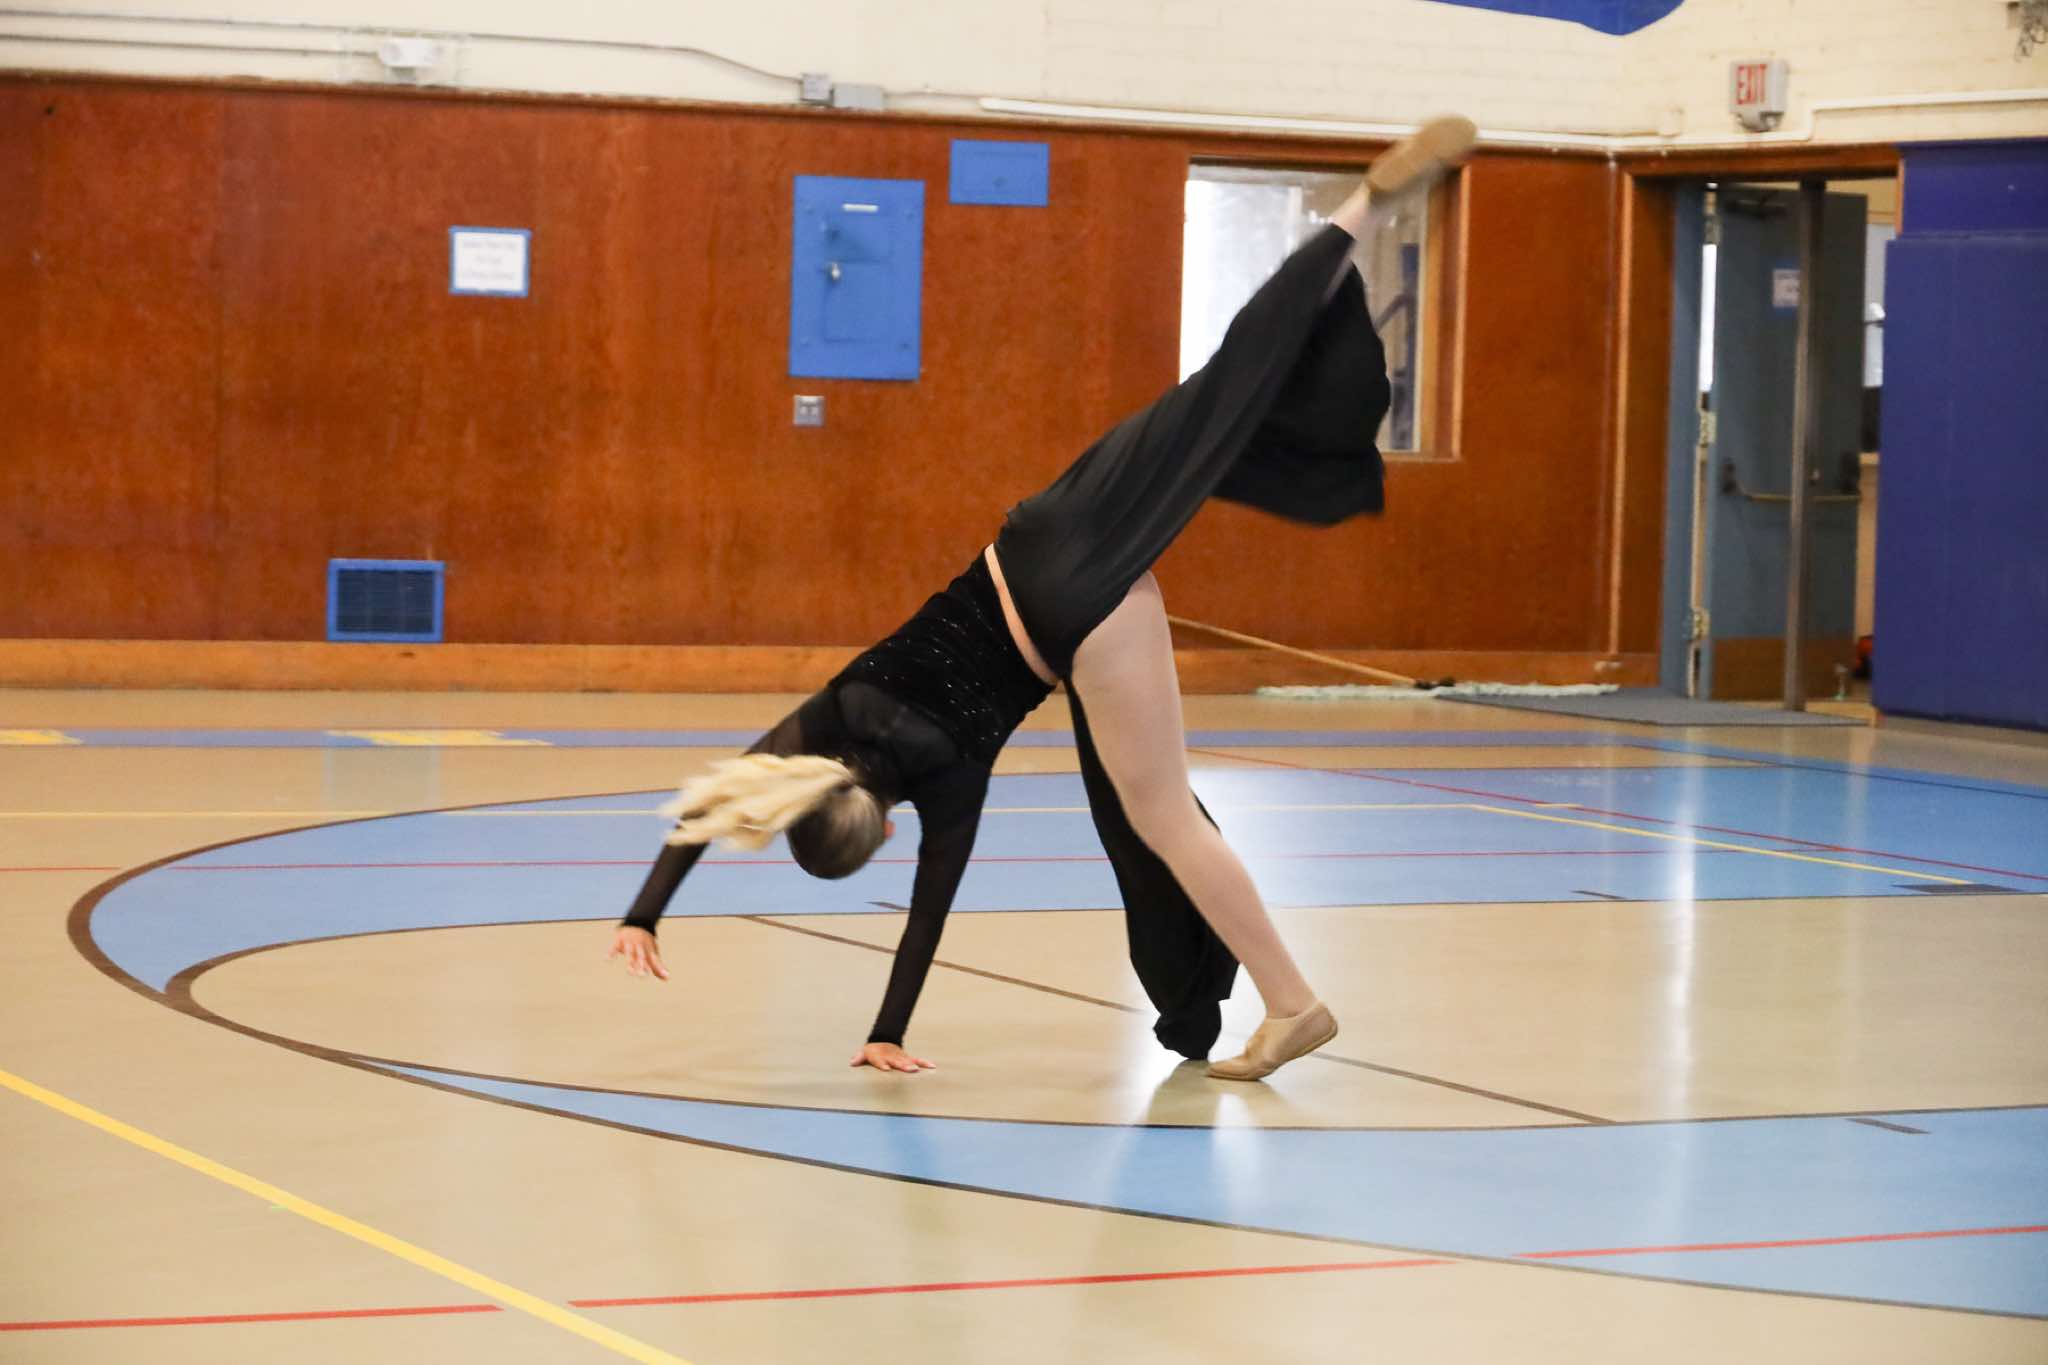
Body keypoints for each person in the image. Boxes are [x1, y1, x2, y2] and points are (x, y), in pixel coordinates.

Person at [609, 117, 1477, 1082]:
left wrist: (887, 1030)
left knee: (1161, 818)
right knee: (1218, 392)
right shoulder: (836, 710)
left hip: (1080, 623)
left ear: (885, 827)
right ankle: (1356, 215)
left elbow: (927, 921)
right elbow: (717, 796)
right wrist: (643, 912)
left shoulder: (946, 785)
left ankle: (1293, 1003)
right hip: (1045, 530)